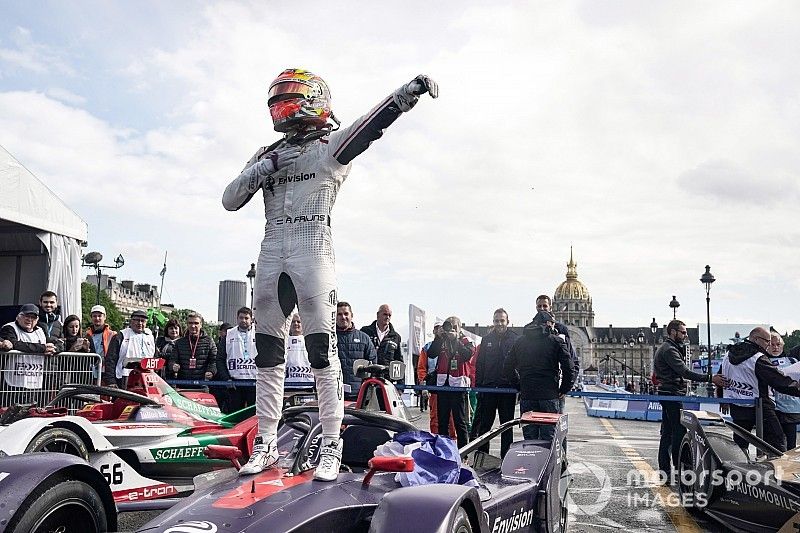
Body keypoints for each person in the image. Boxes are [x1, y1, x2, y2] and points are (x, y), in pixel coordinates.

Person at [222, 68, 437, 480]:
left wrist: (406, 94)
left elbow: (368, 126)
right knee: (267, 354)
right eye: (279, 96)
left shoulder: (328, 146)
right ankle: (266, 443)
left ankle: (332, 443)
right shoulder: (267, 153)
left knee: (322, 350)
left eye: (291, 95)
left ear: (313, 99)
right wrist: (263, 167)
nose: (283, 104)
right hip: (271, 249)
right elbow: (231, 199)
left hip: (312, 245)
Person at [655, 319, 723, 481]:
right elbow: (684, 372)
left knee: (667, 434)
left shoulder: (668, 347)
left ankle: (665, 472)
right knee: (678, 432)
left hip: (668, 393)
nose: (686, 335)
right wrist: (710, 378)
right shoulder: (670, 350)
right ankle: (679, 469)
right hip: (672, 395)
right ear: (673, 332)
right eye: (683, 332)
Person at [720, 327, 800, 453]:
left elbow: (721, 377)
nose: (768, 345)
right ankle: (776, 471)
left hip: (737, 405)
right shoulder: (757, 358)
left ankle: (737, 470)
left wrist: (721, 397)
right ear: (756, 339)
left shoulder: (728, 355)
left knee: (740, 444)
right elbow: (779, 381)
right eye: (767, 341)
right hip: (760, 406)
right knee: (777, 442)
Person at [503, 311, 572, 442]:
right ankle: (547, 462)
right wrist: (564, 389)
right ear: (547, 323)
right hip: (549, 395)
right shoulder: (555, 341)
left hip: (527, 395)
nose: (553, 326)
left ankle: (530, 462)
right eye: (552, 323)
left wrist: (519, 385)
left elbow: (507, 367)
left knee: (529, 438)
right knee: (549, 439)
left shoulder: (520, 341)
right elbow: (569, 367)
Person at [473, 308, 519, 457]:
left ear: (507, 321)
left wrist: (518, 386)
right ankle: (482, 457)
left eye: (502, 321)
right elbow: (480, 364)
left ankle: (506, 458)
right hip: (489, 389)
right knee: (485, 427)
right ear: (493, 322)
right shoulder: (487, 339)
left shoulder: (515, 339)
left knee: (506, 427)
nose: (499, 324)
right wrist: (479, 386)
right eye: (496, 321)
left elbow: (519, 364)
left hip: (507, 390)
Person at [428, 316, 475, 447]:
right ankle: (443, 449)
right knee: (442, 421)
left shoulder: (466, 340)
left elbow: (467, 355)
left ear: (459, 328)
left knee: (460, 421)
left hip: (458, 386)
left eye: (454, 327)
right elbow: (431, 354)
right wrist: (438, 337)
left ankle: (463, 452)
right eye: (449, 326)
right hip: (443, 385)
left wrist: (456, 340)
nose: (451, 330)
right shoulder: (442, 341)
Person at [535, 295, 579, 413]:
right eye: (539, 306)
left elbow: (572, 362)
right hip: (533, 390)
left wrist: (564, 388)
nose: (542, 308)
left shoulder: (561, 330)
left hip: (554, 389)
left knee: (554, 427)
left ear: (550, 307)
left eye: (545, 306)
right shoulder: (529, 329)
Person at [417, 322, 456, 438]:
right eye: (437, 328)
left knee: (452, 419)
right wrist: (423, 386)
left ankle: (453, 444)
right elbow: (421, 368)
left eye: (442, 328)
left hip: (451, 386)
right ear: (434, 331)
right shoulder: (428, 347)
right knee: (435, 418)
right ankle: (436, 442)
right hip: (434, 387)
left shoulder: (453, 344)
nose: (440, 330)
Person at [103, 310, 156, 388]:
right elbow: (110, 359)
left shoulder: (150, 336)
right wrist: (111, 381)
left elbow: (154, 357)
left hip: (146, 378)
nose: (140, 323)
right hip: (124, 377)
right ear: (131, 321)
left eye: (143, 321)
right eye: (137, 320)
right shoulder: (121, 336)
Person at [218, 309, 257, 412]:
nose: (243, 320)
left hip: (254, 382)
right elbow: (220, 359)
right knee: (235, 414)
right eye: (241, 318)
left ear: (251, 319)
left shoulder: (258, 334)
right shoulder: (228, 335)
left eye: (246, 318)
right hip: (234, 383)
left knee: (253, 415)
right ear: (237, 318)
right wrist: (226, 379)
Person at [335, 302, 376, 399]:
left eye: (346, 314)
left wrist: (367, 389)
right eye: (339, 314)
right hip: (334, 393)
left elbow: (372, 364)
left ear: (351, 315)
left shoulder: (364, 338)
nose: (343, 317)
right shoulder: (329, 338)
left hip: (358, 394)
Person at [768, 332, 800, 450]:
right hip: (772, 409)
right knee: (774, 445)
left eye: (778, 344)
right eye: (772, 344)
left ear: (782, 345)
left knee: (791, 445)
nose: (775, 347)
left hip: (790, 409)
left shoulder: (792, 361)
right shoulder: (762, 360)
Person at [167, 313, 217, 388]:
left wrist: (211, 371)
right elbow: (172, 360)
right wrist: (173, 366)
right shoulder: (179, 342)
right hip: (182, 385)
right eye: (190, 323)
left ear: (201, 324)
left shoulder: (209, 341)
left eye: (196, 323)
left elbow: (214, 360)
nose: (193, 326)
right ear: (187, 324)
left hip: (202, 385)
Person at [285, 313, 314, 387]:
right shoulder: (285, 341)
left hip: (308, 384)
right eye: (293, 322)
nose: (296, 324)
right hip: (288, 384)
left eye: (298, 321)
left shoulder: (310, 340)